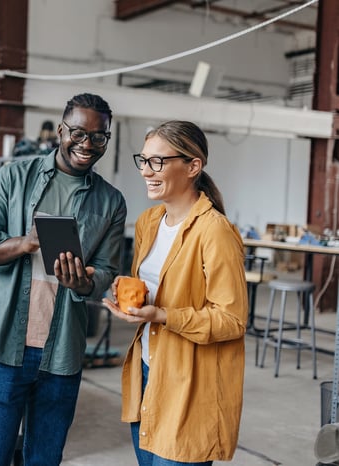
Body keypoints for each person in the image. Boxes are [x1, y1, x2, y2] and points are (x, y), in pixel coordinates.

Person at [0, 93, 127, 465]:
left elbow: (106, 274)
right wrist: (24, 243)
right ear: (60, 130)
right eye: (78, 133)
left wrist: (83, 282)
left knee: (45, 459)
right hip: (6, 345)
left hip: (62, 354)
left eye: (98, 137)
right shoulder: (12, 177)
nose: (87, 144)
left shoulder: (111, 202)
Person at [102, 120, 248, 465]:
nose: (146, 171)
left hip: (189, 384)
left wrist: (162, 315)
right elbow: (159, 287)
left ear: (193, 166)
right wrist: (129, 294)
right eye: (144, 160)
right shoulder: (148, 222)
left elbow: (232, 320)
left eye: (158, 162)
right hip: (148, 371)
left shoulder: (215, 232)